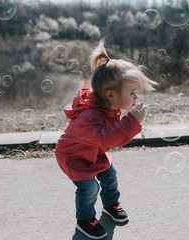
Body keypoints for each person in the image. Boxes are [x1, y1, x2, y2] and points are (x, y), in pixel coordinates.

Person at [55, 39, 157, 239]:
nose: (136, 97)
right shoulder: (89, 116)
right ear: (111, 95)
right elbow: (106, 140)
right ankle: (85, 220)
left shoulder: (109, 105)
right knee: (89, 187)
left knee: (110, 174)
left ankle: (110, 205)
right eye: (132, 93)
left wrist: (128, 121)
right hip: (74, 156)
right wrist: (132, 121)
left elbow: (107, 139)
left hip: (93, 151)